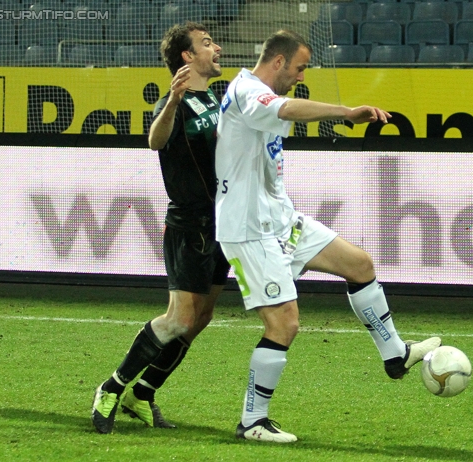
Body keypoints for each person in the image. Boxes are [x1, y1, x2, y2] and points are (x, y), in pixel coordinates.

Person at [214, 30, 442, 443]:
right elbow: (286, 109)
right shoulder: (248, 91)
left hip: (280, 218)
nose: (302, 75)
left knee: (360, 264)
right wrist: (345, 112)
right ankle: (252, 421)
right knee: (284, 324)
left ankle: (395, 355)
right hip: (249, 228)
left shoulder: (253, 94)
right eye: (300, 67)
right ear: (279, 62)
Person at [91, 22, 230, 434]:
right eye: (207, 44)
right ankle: (112, 387)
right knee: (178, 319)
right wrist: (171, 100)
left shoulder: (215, 99)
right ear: (188, 57)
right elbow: (155, 140)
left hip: (223, 222)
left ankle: (144, 393)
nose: (216, 48)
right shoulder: (178, 100)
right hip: (190, 224)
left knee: (201, 316)